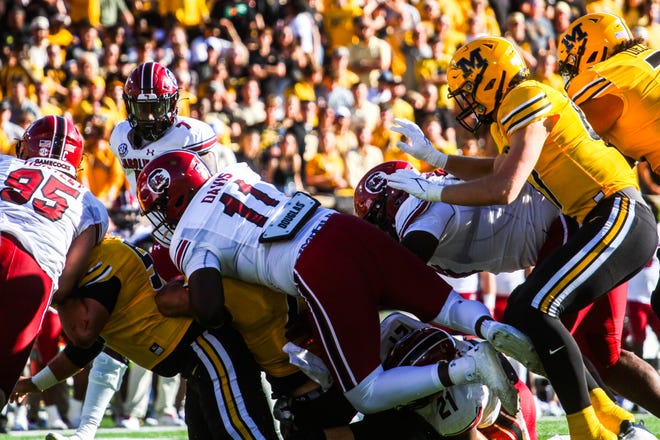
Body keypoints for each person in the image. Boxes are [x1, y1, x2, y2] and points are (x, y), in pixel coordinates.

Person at [133, 150, 546, 419]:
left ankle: (465, 367)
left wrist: (192, 294)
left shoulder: (189, 233)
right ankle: (489, 329)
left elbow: (208, 306)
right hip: (339, 224)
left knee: (365, 393)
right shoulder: (232, 173)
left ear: (172, 203)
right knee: (446, 304)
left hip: (315, 264)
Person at [384, 36, 657, 439]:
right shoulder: (513, 112)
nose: (465, 104)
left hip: (616, 211)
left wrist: (435, 190)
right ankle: (612, 423)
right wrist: (439, 160)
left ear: (490, 78)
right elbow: (498, 166)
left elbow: (506, 186)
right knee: (533, 314)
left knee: (531, 309)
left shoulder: (523, 96)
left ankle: (593, 430)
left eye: (468, 91)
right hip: (605, 216)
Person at [355, 159, 660, 419]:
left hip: (571, 227)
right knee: (605, 357)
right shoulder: (429, 192)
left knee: (535, 339)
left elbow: (406, 266)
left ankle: (613, 427)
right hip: (577, 226)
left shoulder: (417, 207)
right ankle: (616, 424)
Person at [9, 236, 301, 439]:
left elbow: (83, 334)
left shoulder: (102, 261)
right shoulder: (96, 267)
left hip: (207, 350)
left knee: (247, 434)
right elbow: (81, 352)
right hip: (197, 363)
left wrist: (59, 294)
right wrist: (33, 384)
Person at [0, 115, 109, 411]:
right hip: (31, 273)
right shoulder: (90, 203)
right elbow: (64, 285)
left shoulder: (4, 164)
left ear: (27, 148)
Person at [555, 12, 660, 318]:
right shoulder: (645, 57)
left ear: (595, 48)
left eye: (574, 59)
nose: (573, 70)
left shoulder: (605, 74)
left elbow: (576, 143)